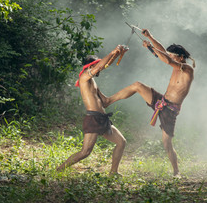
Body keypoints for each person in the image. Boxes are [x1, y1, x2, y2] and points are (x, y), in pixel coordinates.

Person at [104, 29, 195, 177]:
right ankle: (108, 100)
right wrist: (150, 37)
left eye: (173, 56)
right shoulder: (175, 64)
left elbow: (166, 58)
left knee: (167, 144)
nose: (170, 58)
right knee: (138, 85)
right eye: (171, 56)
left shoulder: (187, 69)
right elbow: (163, 52)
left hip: (170, 110)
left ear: (181, 57)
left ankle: (176, 172)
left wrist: (150, 48)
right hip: (162, 101)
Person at [56, 45, 128, 175]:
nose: (100, 70)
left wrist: (117, 54)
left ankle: (113, 172)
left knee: (121, 142)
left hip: (103, 119)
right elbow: (100, 66)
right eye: (96, 67)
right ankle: (59, 170)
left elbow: (105, 101)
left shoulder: (93, 81)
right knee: (85, 152)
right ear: (90, 67)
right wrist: (112, 51)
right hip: (93, 119)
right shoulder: (84, 77)